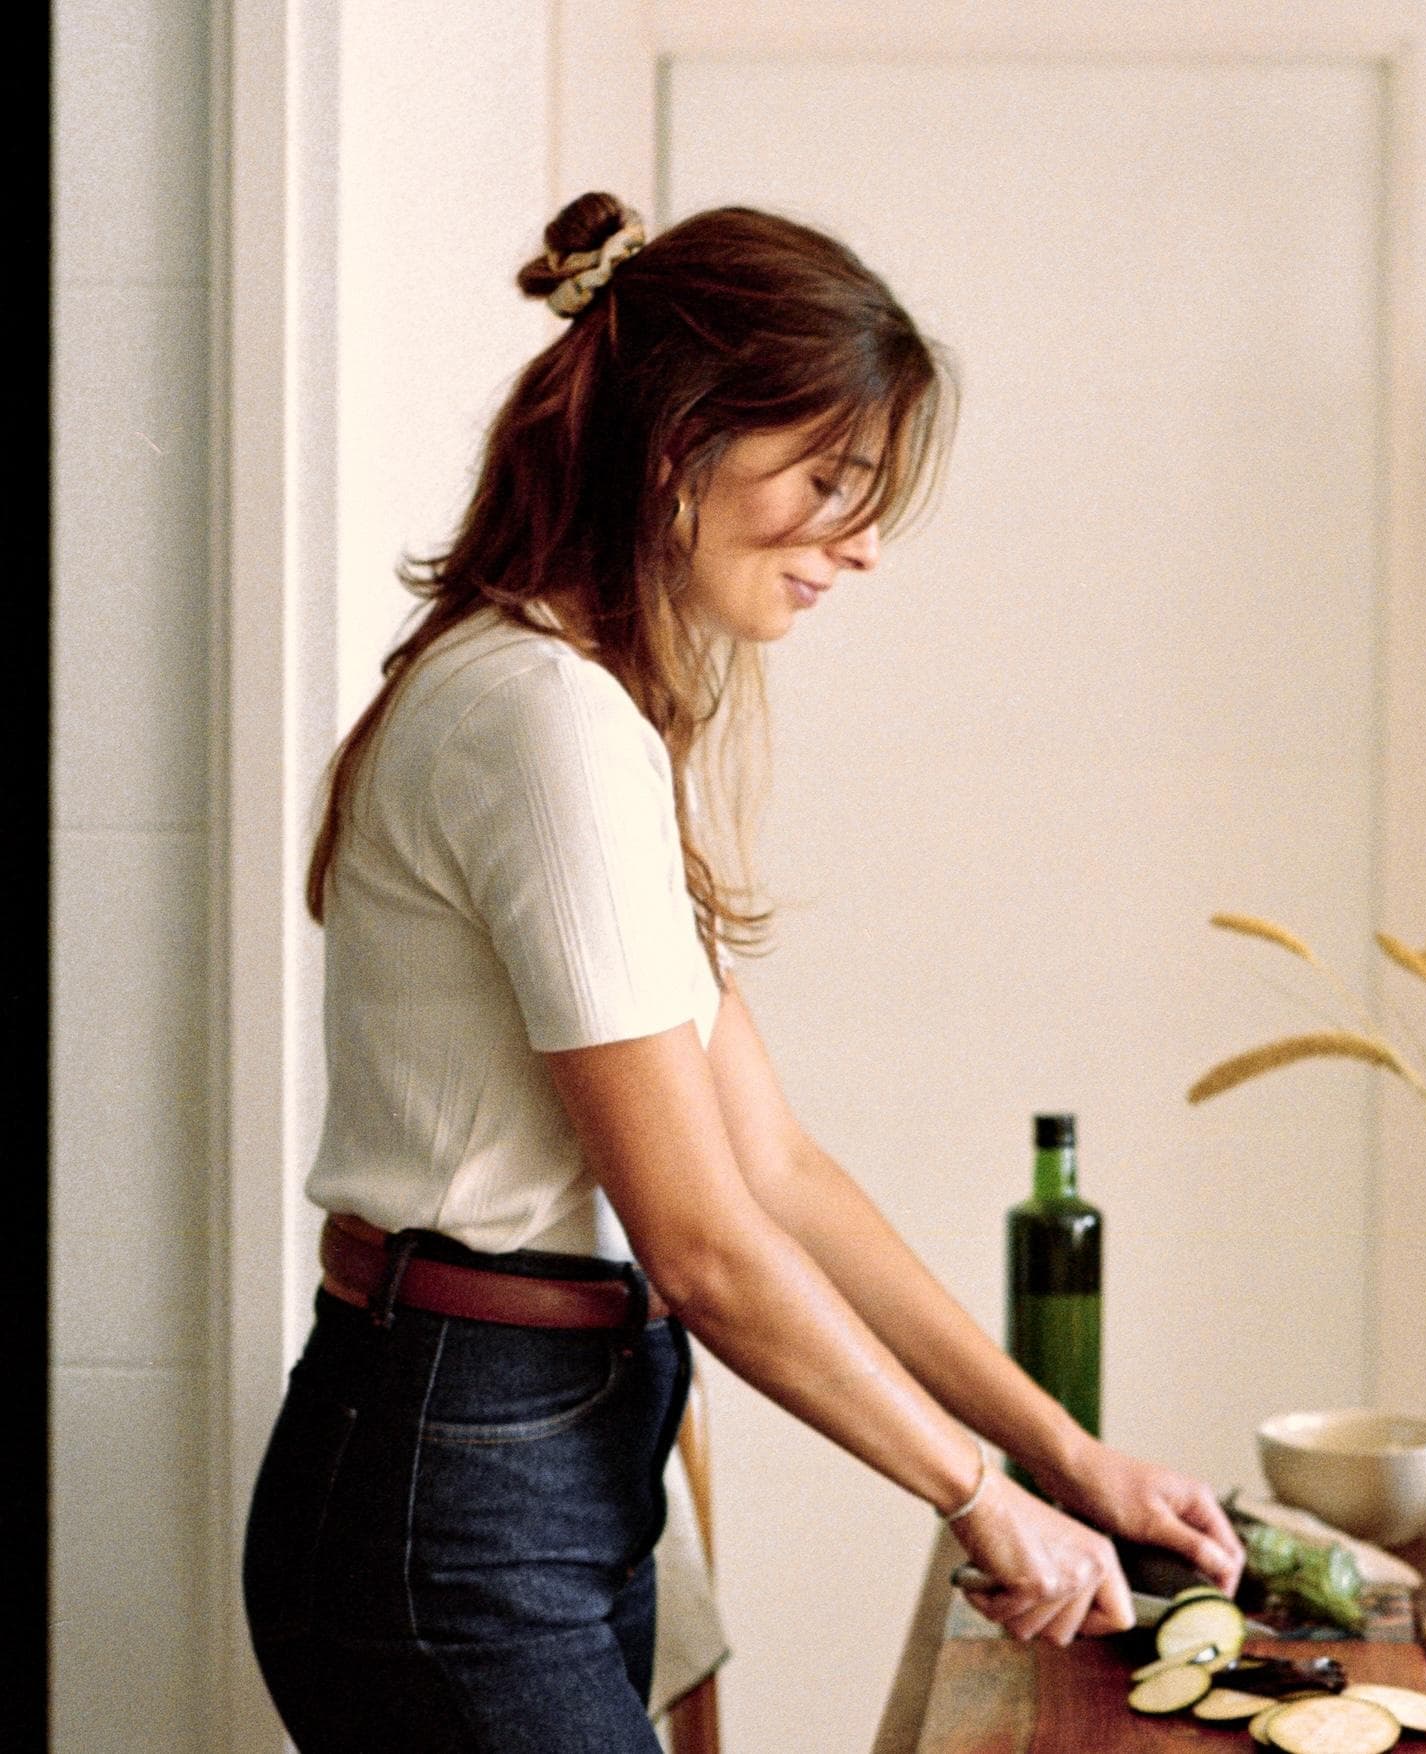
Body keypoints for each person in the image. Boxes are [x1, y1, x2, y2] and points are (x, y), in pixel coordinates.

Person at [242, 192, 1245, 1753]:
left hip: (521, 1445)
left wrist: (1064, 1454)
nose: (856, 543)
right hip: (460, 1468)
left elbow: (773, 1166)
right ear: (676, 447)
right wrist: (979, 1496)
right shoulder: (541, 720)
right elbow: (703, 1241)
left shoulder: (574, 707)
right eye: (827, 480)